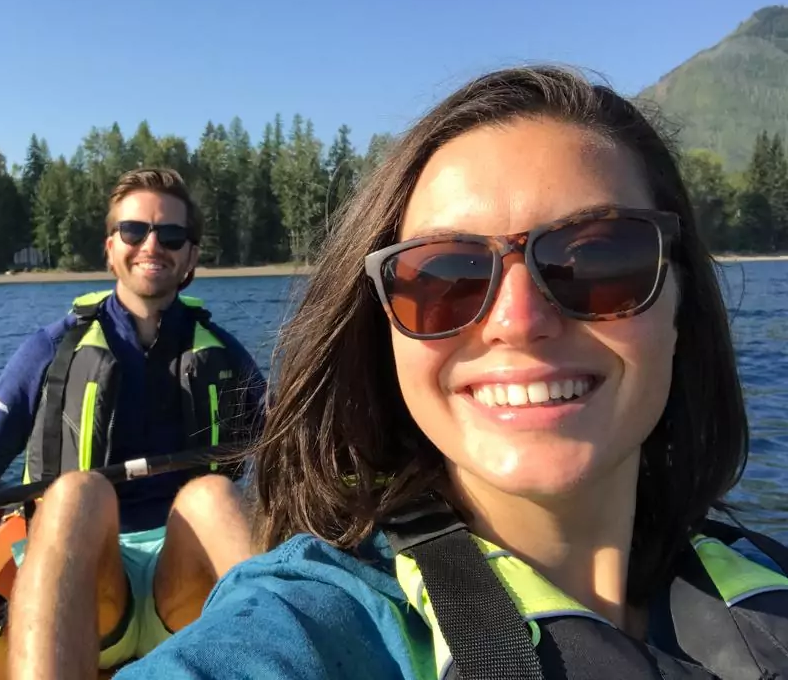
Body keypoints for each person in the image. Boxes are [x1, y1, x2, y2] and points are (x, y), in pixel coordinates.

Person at [56, 66, 788, 680]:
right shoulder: (316, 624)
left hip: (186, 534)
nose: (519, 319)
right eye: (442, 277)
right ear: (385, 339)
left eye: (600, 261)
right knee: (73, 498)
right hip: (110, 553)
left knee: (215, 492)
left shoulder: (764, 580)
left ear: (682, 300)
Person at [0, 167, 267, 669]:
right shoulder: (49, 350)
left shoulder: (226, 356)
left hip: (188, 597)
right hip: (90, 592)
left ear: (191, 257)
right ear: (110, 248)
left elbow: (286, 440)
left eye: (171, 235)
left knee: (213, 494)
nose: (152, 245)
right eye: (134, 231)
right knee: (76, 491)